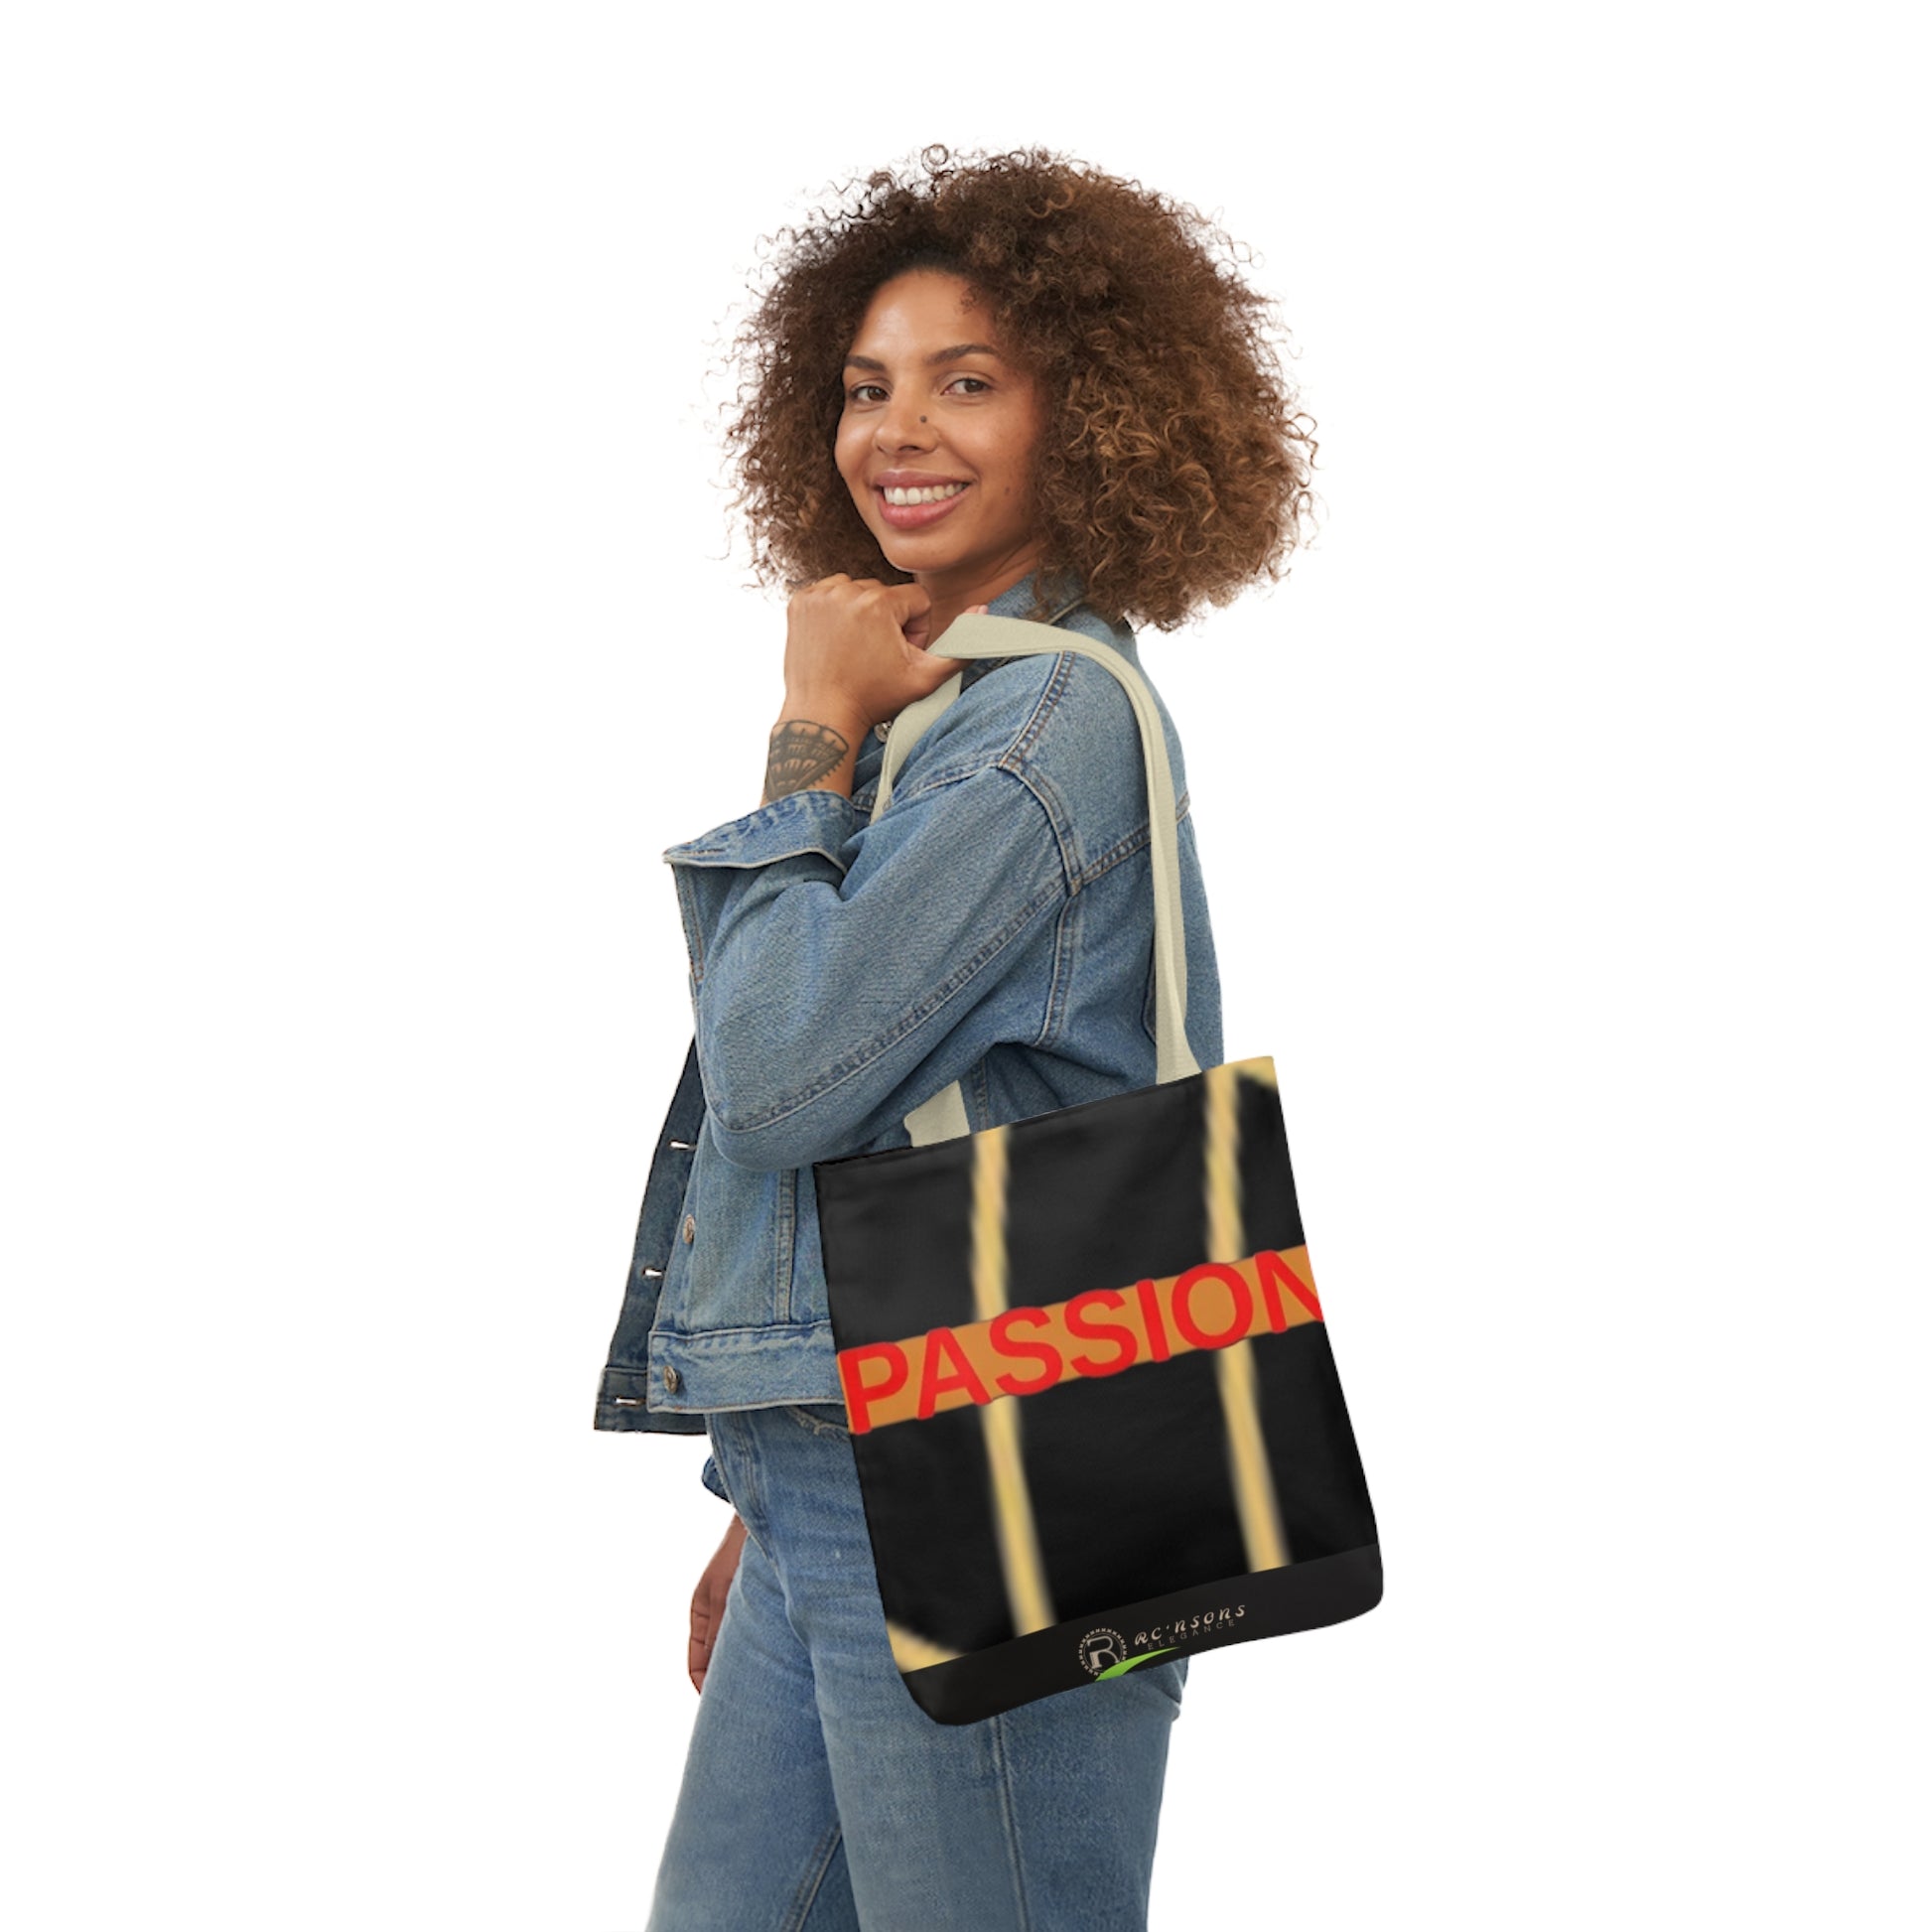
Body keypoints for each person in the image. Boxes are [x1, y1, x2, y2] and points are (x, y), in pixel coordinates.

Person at [593, 146, 1315, 1931]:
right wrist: (766, 1486)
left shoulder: (1039, 726)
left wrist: (806, 733)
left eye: (966, 381)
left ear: (1095, 416)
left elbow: (783, 1078)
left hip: (989, 1468)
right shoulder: (960, 704)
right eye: (864, 388)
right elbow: (886, 1131)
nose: (895, 432)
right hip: (845, 1457)